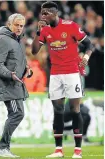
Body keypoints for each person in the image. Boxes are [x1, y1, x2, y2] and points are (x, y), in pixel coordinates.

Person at [32, 2, 93, 158]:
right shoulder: (44, 30)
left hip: (72, 73)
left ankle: (77, 151)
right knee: (58, 111)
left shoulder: (71, 26)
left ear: (55, 13)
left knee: (75, 110)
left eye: (46, 13)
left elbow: (88, 44)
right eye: (42, 13)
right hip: (55, 74)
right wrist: (38, 32)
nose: (43, 16)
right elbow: (34, 51)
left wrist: (85, 57)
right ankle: (58, 150)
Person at [0, 13, 33, 158]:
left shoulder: (16, 40)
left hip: (15, 84)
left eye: (22, 25)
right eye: (17, 25)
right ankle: (2, 148)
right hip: (8, 84)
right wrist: (11, 74)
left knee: (16, 114)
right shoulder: (2, 39)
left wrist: (28, 69)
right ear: (9, 24)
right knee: (17, 114)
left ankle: (4, 147)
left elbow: (17, 61)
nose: (19, 28)